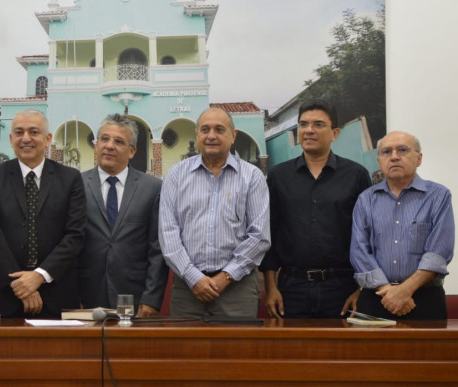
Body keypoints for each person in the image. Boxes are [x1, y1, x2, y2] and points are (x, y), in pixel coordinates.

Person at [260, 100, 372, 318]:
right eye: (303, 124)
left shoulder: (356, 175)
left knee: (341, 352)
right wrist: (271, 288)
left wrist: (361, 290)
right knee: (294, 351)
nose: (309, 130)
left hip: (342, 287)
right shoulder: (278, 176)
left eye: (318, 124)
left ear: (335, 133)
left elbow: (369, 235)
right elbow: (269, 233)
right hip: (291, 288)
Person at [159, 107, 270, 318]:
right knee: (185, 350)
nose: (211, 135)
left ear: (233, 135)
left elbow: (259, 237)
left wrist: (226, 276)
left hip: (237, 289)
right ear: (197, 135)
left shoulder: (252, 176)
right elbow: (168, 233)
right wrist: (194, 278)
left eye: (219, 129)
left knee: (235, 350)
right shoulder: (176, 175)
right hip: (188, 290)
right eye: (205, 129)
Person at [0, 109, 86, 318]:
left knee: (58, 351)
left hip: (57, 291)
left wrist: (39, 276)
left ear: (47, 138)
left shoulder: (70, 178)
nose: (26, 138)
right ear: (11, 139)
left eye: (33, 132)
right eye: (19, 132)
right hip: (3, 291)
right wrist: (19, 284)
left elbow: (75, 234)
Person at [350, 131, 454, 319]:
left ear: (419, 158)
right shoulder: (366, 199)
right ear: (379, 160)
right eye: (386, 152)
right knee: (372, 350)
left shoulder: (439, 196)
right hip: (376, 299)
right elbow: (359, 251)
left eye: (403, 150)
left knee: (427, 350)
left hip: (425, 298)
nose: (394, 156)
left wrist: (404, 290)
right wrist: (388, 290)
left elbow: (439, 251)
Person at [79, 114, 168, 316]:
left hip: (135, 296)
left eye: (119, 141)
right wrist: (73, 297)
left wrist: (151, 299)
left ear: (132, 151)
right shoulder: (76, 185)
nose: (109, 146)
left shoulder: (152, 188)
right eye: (104, 139)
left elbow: (158, 249)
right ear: (96, 144)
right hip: (87, 295)